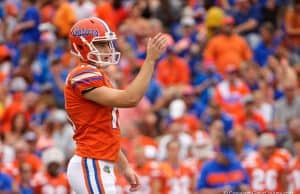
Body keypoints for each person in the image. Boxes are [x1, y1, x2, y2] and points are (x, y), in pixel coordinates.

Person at [65, 17, 168, 194]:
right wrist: (150, 61)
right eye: (101, 44)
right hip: (91, 162)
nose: (107, 49)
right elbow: (130, 99)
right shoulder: (83, 74)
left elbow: (105, 132)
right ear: (81, 46)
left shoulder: (96, 75)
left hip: (98, 163)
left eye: (107, 44)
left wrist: (124, 166)